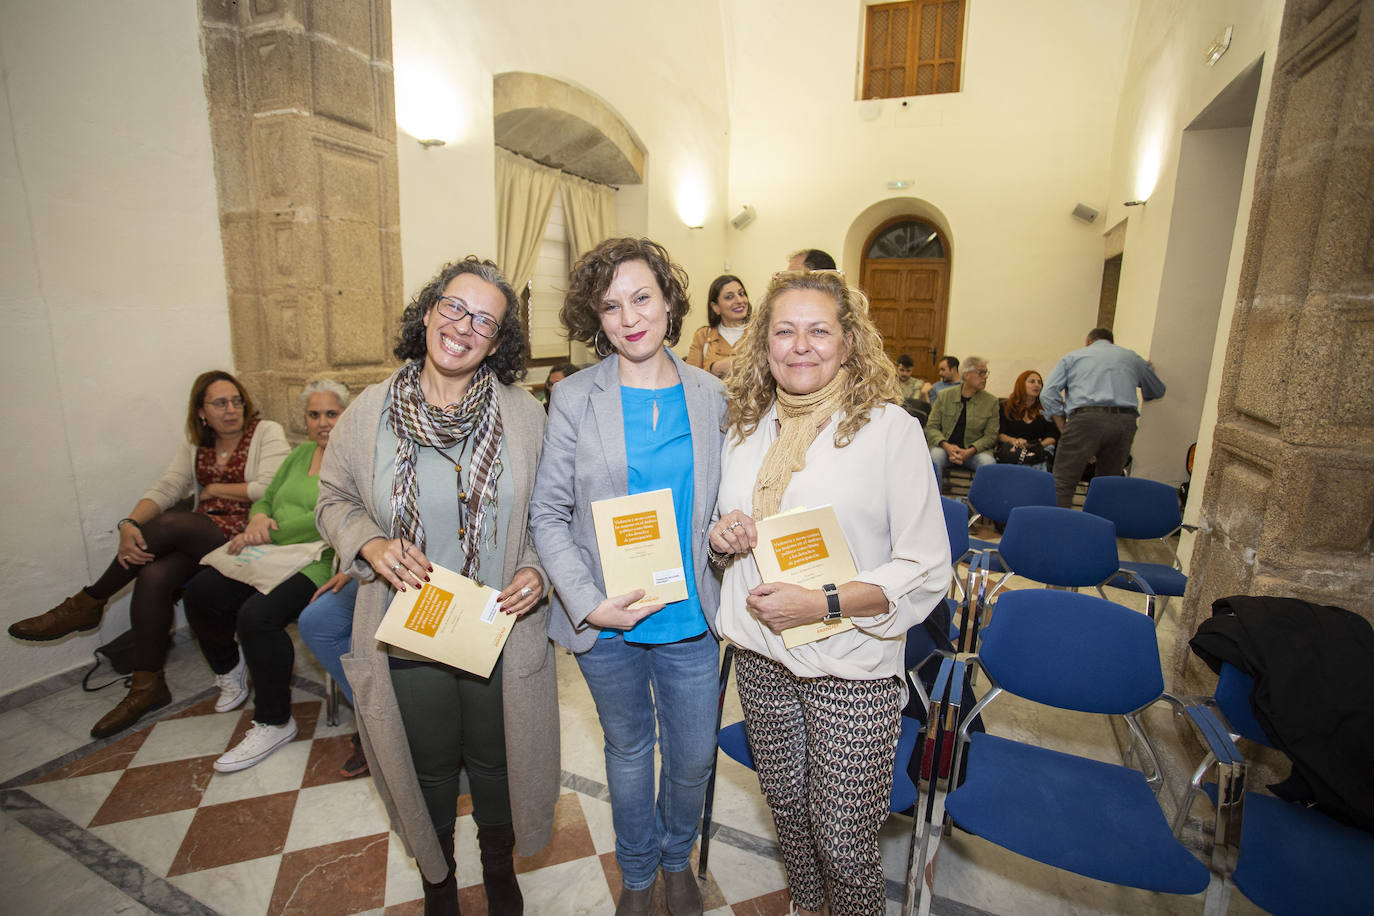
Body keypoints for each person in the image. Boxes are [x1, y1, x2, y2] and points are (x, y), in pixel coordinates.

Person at [316, 257, 559, 916]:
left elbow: (548, 514)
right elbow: (333, 498)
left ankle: (498, 868)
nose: (464, 326)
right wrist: (368, 542)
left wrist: (537, 569)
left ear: (499, 340)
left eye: (485, 319)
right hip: (408, 621)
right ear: (428, 312)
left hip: (497, 628)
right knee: (422, 765)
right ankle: (439, 879)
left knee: (497, 761)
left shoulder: (524, 416)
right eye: (454, 307)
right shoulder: (368, 414)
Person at [709, 270, 951, 916]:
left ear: (849, 343)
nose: (801, 345)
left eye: (819, 330)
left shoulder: (890, 431)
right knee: (787, 811)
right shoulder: (747, 427)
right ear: (765, 346)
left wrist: (824, 604)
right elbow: (724, 527)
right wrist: (722, 535)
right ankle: (804, 907)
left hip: (850, 663)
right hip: (760, 654)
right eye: (784, 332)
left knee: (843, 843)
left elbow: (928, 567)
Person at [530, 237, 726, 916]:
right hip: (608, 618)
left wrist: (730, 535)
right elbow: (548, 515)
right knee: (630, 750)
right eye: (611, 306)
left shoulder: (713, 396)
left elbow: (727, 505)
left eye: (642, 297)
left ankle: (680, 860)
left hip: (690, 616)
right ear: (597, 319)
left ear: (670, 300)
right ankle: (640, 876)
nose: (630, 316)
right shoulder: (576, 396)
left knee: (694, 757)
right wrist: (587, 604)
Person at [9, 370, 288, 738]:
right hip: (202, 537)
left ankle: (90, 601)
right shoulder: (194, 447)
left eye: (237, 401)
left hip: (248, 535)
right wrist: (129, 524)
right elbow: (167, 486)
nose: (232, 409)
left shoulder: (265, 432)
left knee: (174, 524)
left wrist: (215, 486)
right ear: (201, 412)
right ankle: (147, 685)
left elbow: (268, 486)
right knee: (153, 575)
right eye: (220, 403)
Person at [181, 379, 350, 772]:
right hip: (270, 550)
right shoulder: (300, 454)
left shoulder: (353, 460)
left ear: (347, 416)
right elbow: (269, 496)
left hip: (317, 559)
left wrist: (268, 530)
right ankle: (231, 670)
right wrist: (258, 516)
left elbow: (330, 516)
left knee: (257, 617)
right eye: (314, 414)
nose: (323, 422)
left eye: (331, 413)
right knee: (202, 591)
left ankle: (275, 721)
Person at [1041, 327, 1166, 507]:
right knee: (1106, 485)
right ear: (1111, 342)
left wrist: (1063, 426)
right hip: (1124, 421)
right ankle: (1097, 532)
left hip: (1085, 419)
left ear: (1088, 342)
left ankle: (1056, 530)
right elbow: (1157, 390)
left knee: (1062, 482)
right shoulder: (1131, 358)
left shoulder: (1073, 357)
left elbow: (1048, 393)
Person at [296, 576, 367, 778]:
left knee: (365, 640)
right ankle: (373, 723)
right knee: (316, 622)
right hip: (381, 563)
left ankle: (385, 731)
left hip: (436, 564)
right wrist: (356, 560)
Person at [925, 356, 999, 482]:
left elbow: (991, 436)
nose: (985, 376)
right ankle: (934, 499)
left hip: (974, 453)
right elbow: (931, 427)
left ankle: (979, 501)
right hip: (945, 449)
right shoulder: (945, 396)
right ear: (966, 375)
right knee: (935, 458)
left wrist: (969, 451)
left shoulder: (991, 402)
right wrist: (947, 446)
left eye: (986, 373)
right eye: (981, 372)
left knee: (988, 463)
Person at [685, 273, 751, 378]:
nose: (739, 301)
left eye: (741, 294)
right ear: (715, 307)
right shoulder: (703, 336)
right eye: (729, 297)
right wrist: (714, 368)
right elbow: (689, 378)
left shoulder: (759, 333)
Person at [996, 370, 1059, 470]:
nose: (1037, 385)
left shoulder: (1045, 409)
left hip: (1038, 449)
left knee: (1038, 463)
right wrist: (1014, 441)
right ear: (1021, 384)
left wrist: (1038, 446)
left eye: (1039, 382)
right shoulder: (1005, 407)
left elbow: (1053, 436)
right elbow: (999, 434)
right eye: (1032, 381)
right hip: (1013, 449)